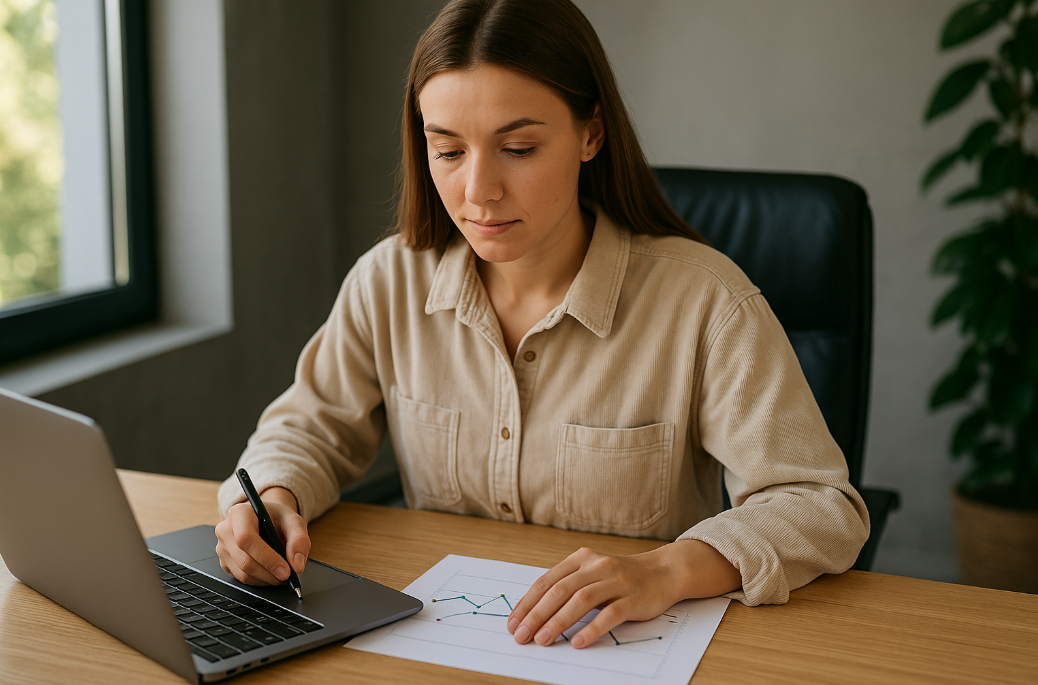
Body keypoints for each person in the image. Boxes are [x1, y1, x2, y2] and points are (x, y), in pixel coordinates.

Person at [215, 0, 869, 651]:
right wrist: (269, 497)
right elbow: (307, 427)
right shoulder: (389, 282)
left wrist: (667, 568)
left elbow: (819, 505)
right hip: (449, 645)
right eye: (446, 150)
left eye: (519, 147)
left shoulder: (705, 300)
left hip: (624, 650)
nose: (479, 190)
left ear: (591, 133)